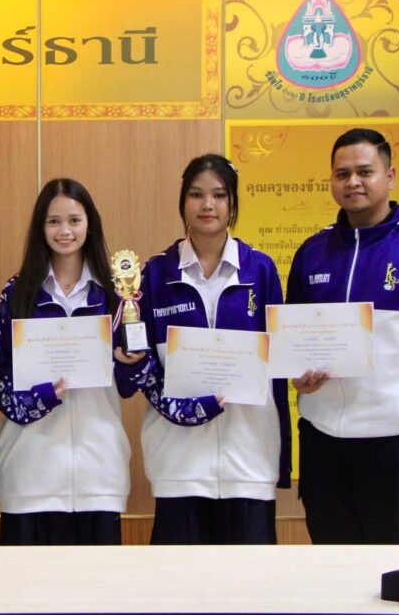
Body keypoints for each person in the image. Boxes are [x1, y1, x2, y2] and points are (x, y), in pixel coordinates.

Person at [287, 128, 399, 544]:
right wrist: (299, 377)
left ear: (390, 175)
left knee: (393, 566)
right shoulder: (312, 251)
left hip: (397, 445)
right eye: (342, 174)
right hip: (323, 442)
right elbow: (293, 342)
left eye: (365, 172)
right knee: (330, 563)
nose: (353, 182)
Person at [117, 154, 291, 544]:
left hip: (249, 461)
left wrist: (282, 462)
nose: (207, 205)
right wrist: (128, 364)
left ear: (232, 203)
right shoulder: (154, 274)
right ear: (183, 202)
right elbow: (132, 376)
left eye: (219, 195)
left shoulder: (260, 270)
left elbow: (279, 372)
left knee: (249, 580)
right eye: (196, 194)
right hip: (178, 464)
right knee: (179, 580)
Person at [0, 178, 134, 545]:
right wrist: (43, 397)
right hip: (30, 470)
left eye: (74, 220)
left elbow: (132, 385)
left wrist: (130, 364)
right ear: (40, 228)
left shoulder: (117, 294)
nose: (64, 231)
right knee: (26, 580)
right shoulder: (18, 292)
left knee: (96, 580)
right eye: (53, 221)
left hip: (99, 471)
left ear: (90, 225)